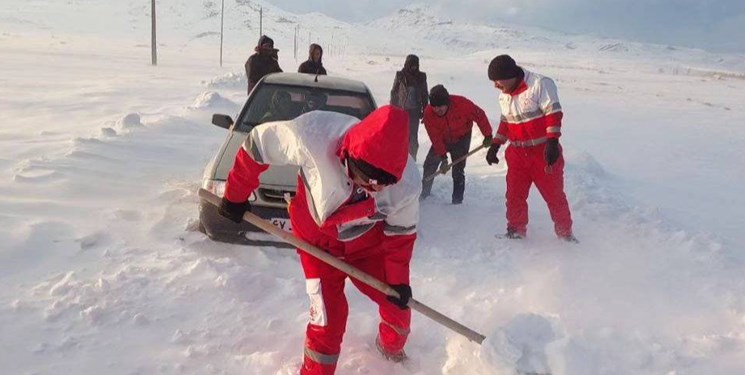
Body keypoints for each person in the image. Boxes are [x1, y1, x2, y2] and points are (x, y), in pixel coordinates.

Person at [217, 106, 421, 374]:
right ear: (347, 154)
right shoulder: (312, 136)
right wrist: (235, 194)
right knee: (328, 320)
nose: (371, 188)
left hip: (366, 248)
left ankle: (390, 353)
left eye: (381, 185)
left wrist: (397, 283)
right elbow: (257, 144)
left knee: (397, 306)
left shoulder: (406, 184)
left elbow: (400, 238)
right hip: (316, 245)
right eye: (364, 179)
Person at [485, 54, 577, 242]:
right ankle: (516, 231)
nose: (496, 86)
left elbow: (553, 113)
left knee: (554, 196)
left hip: (543, 152)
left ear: (510, 75)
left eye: (498, 81)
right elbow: (506, 121)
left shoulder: (540, 84)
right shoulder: (504, 95)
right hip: (517, 154)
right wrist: (496, 144)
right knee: (514, 196)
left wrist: (552, 142)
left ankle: (565, 234)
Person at [420, 85, 493, 205]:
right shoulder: (429, 114)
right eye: (435, 107)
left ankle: (457, 202)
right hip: (442, 139)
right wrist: (443, 158)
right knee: (429, 164)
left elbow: (480, 115)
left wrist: (488, 135)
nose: (438, 109)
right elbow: (435, 138)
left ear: (447, 102)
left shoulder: (462, 104)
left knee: (458, 169)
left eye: (441, 106)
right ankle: (424, 194)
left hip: (461, 138)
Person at [390, 55, 428, 160]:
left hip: (415, 112)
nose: (413, 68)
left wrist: (425, 111)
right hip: (401, 111)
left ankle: (411, 159)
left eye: (415, 66)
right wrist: (392, 110)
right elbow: (394, 93)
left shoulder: (421, 77)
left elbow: (425, 95)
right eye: (411, 65)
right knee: (400, 135)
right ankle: (399, 158)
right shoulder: (400, 75)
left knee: (412, 137)